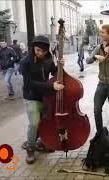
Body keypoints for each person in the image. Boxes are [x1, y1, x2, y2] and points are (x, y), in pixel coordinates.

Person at [20, 35, 64, 164]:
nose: (38, 53)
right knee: (34, 123)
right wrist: (51, 86)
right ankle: (30, 149)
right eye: (36, 49)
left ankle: (41, 143)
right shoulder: (25, 62)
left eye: (41, 51)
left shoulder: (48, 59)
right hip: (32, 97)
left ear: (46, 51)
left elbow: (54, 72)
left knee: (44, 123)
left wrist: (60, 67)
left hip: (45, 97)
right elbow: (29, 84)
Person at [86, 24, 109, 137]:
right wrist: (95, 57)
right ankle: (100, 132)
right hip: (101, 84)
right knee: (97, 110)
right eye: (101, 32)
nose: (101, 34)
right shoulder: (99, 48)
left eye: (103, 32)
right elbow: (88, 61)